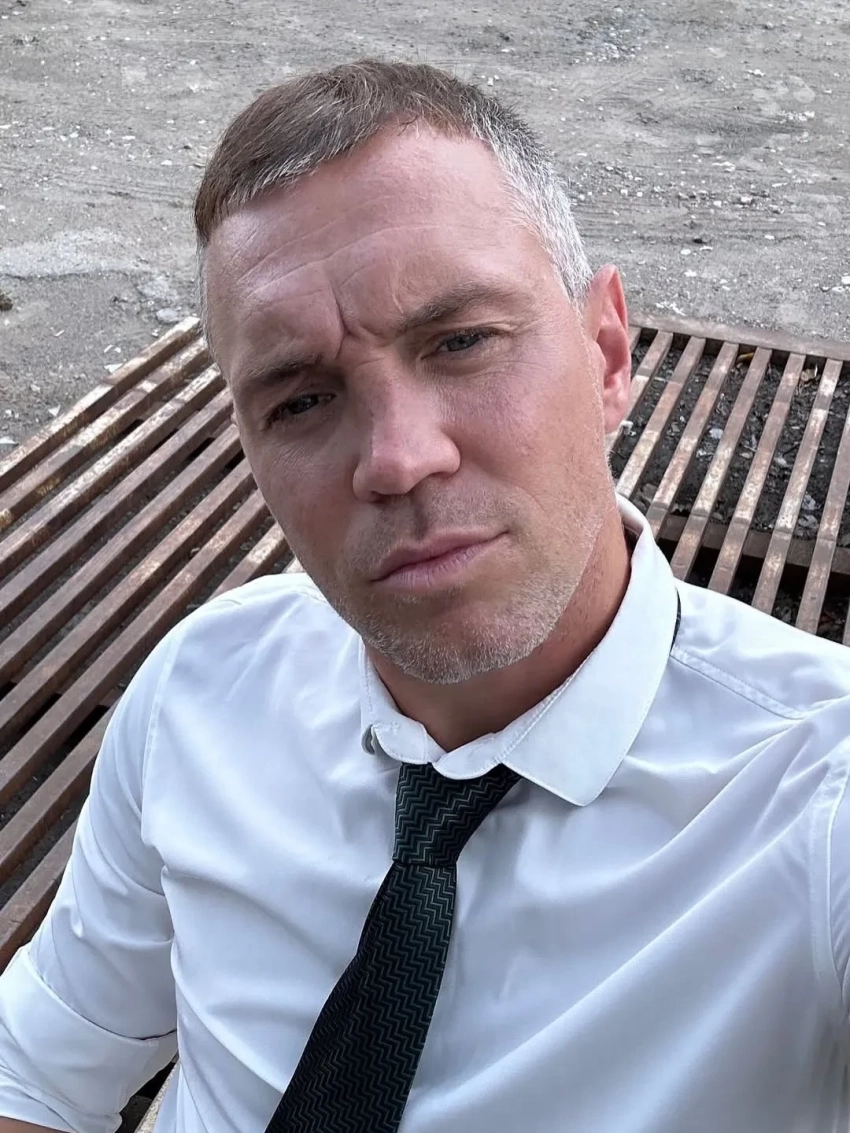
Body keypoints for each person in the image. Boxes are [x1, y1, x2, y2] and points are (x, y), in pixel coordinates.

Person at [1, 57, 850, 1133]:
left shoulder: (814, 799)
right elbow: (41, 1067)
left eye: (460, 342)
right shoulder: (203, 689)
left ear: (607, 354)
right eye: (301, 400)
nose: (398, 458)